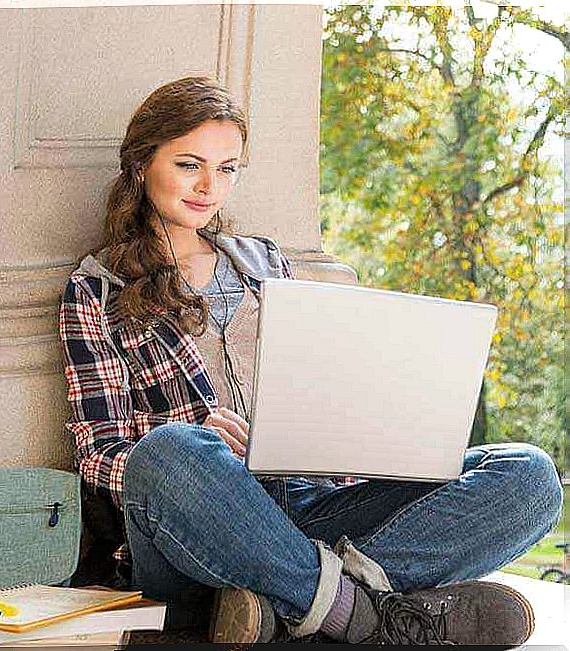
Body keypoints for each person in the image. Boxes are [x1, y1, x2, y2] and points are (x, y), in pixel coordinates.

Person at [57, 76, 563, 644]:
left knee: (530, 477)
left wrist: (365, 437)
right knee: (170, 453)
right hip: (199, 521)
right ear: (143, 163)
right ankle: (377, 617)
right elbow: (98, 452)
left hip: (308, 506)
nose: (209, 187)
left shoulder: (265, 261)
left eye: (227, 168)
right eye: (189, 165)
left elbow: (321, 390)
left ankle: (291, 605)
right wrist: (197, 435)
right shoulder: (97, 287)